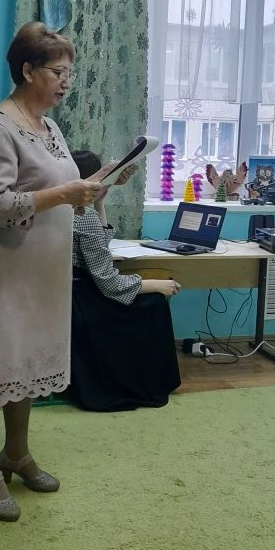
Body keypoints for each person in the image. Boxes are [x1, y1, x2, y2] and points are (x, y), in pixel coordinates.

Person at [0, 22, 105, 522]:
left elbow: (58, 190)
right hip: (8, 269)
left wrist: (93, 188)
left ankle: (16, 454)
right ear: (27, 70)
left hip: (45, 269)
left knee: (23, 369)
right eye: (57, 72)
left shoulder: (49, 127)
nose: (66, 82)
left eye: (69, 73)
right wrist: (65, 193)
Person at [69, 149, 182, 412]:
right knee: (154, 303)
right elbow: (109, 284)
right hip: (82, 299)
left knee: (148, 299)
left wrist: (99, 203)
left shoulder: (70, 211)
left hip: (72, 292)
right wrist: (156, 284)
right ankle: (151, 382)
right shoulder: (84, 218)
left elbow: (98, 243)